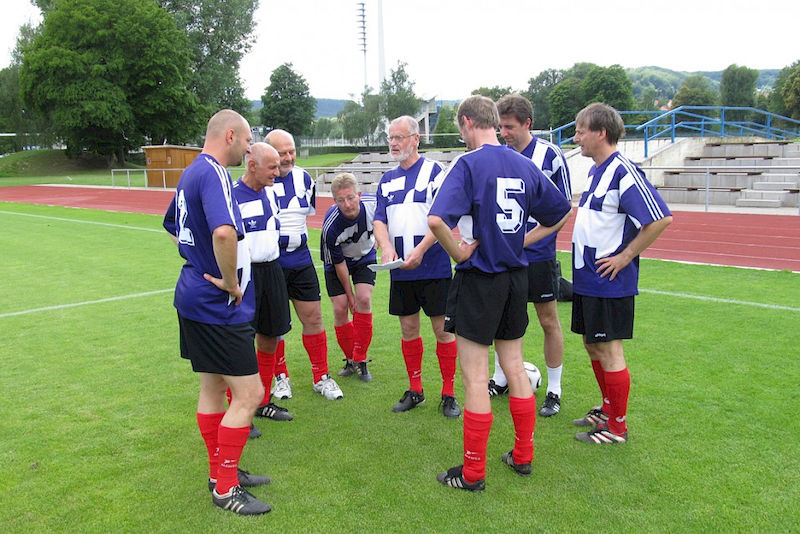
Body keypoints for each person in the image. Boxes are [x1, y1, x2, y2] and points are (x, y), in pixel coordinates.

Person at [428, 96, 572, 491]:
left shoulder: (468, 164)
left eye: (460, 127)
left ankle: (473, 473)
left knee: (475, 376)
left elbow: (437, 219)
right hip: (516, 277)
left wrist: (459, 252)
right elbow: (560, 211)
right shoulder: (524, 163)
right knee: (514, 365)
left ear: (467, 122)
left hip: (479, 277)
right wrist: (523, 240)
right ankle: (523, 455)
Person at [163, 109, 271, 515]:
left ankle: (219, 474)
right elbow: (224, 232)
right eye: (247, 140)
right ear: (230, 136)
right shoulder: (214, 173)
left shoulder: (190, 172)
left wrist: (196, 259)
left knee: (212, 387)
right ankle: (226, 488)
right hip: (216, 304)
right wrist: (229, 280)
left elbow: (173, 226)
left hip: (192, 296)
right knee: (250, 393)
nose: (248, 148)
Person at [570, 102, 672, 444]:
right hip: (588, 278)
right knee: (592, 344)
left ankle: (617, 428)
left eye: (581, 131)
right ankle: (607, 408)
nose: (576, 138)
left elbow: (660, 218)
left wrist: (626, 256)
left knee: (610, 350)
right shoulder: (596, 171)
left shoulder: (623, 171)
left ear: (601, 133)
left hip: (609, 282)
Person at [373, 115, 460, 418]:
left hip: (434, 267)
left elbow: (443, 219)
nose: (393, 143)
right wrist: (386, 247)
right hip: (400, 269)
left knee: (443, 331)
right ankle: (415, 389)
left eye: (399, 137)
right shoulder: (387, 179)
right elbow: (379, 220)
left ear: (416, 138)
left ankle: (448, 393)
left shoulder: (435, 172)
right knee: (408, 329)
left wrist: (421, 250)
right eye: (391, 138)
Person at [493, 94, 572, 418]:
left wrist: (526, 240)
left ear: (527, 123)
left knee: (548, 319)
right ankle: (500, 378)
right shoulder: (499, 155)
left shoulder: (549, 155)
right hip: (504, 256)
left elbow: (563, 210)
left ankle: (554, 389)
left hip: (537, 255)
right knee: (503, 319)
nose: (504, 134)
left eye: (509, 127)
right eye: (500, 127)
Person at [265, 129, 344, 400]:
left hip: (300, 259)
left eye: (292, 151)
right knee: (274, 325)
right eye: (281, 153)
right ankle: (280, 377)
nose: (288, 157)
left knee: (313, 318)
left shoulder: (305, 179)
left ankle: (321, 376)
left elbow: (304, 216)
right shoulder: (259, 182)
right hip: (271, 262)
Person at [232, 142, 294, 424]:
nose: (277, 172)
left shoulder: (271, 192)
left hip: (272, 270)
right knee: (241, 342)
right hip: (245, 275)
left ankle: (263, 402)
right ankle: (239, 410)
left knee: (270, 337)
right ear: (252, 165)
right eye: (272, 167)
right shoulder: (232, 195)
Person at [320, 173, 377, 381]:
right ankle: (350, 359)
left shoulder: (373, 205)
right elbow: (339, 264)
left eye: (351, 197)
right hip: (339, 262)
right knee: (341, 307)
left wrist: (379, 242)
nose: (347, 204)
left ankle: (361, 358)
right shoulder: (331, 227)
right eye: (341, 200)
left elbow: (385, 223)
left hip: (364, 257)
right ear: (334, 201)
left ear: (359, 194)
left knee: (364, 299)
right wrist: (349, 294)